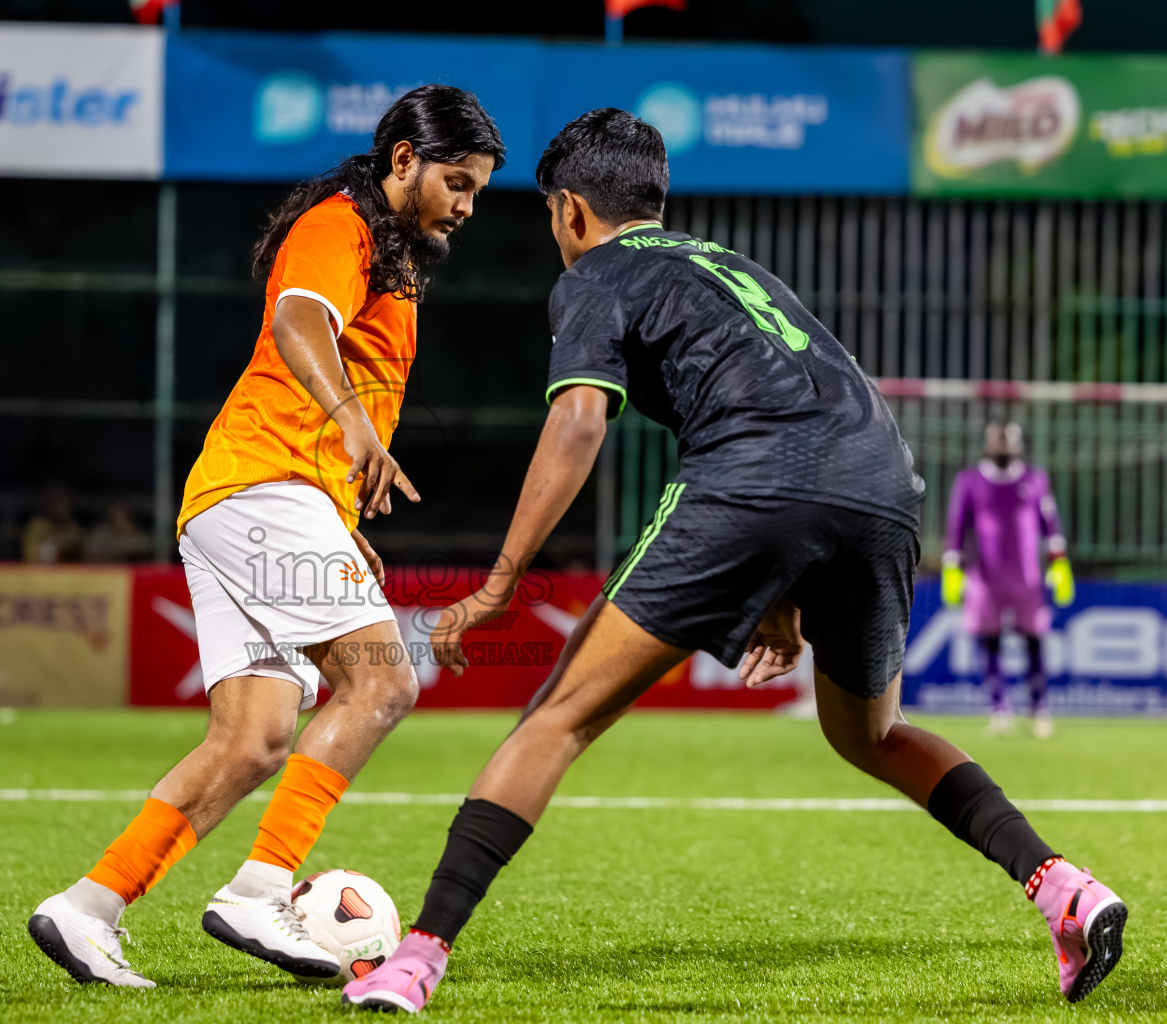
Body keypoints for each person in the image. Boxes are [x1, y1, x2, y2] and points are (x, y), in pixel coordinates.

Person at [342, 109, 1126, 1013]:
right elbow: (802, 412)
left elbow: (582, 419)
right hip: (883, 483)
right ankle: (1062, 888)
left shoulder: (597, 273)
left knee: (557, 719)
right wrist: (783, 591)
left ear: (571, 211)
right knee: (871, 734)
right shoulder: (733, 266)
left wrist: (499, 582)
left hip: (757, 478)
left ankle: (417, 959)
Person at [27, 85, 506, 988]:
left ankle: (88, 907)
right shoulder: (339, 225)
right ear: (404, 159)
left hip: (248, 498)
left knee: (250, 740)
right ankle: (261, 889)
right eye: (457, 183)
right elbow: (297, 320)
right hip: (264, 487)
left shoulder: (388, 255)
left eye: (477, 191)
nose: (466, 207)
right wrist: (354, 429)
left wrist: (338, 514)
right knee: (381, 682)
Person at [942, 422, 1074, 738]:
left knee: (1035, 641)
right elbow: (956, 525)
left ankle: (1039, 709)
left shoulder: (1034, 479)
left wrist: (1059, 563)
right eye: (998, 438)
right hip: (984, 578)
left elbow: (1050, 524)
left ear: (1018, 442)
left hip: (1027, 578)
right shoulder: (969, 480)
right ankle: (999, 710)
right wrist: (952, 566)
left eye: (1009, 438)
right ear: (988, 442)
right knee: (989, 642)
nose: (1004, 444)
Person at [21, 485, 84, 564]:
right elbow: (31, 557)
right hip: (43, 571)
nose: (59, 506)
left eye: (62, 500)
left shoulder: (74, 527)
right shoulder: (37, 526)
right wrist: (61, 546)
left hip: (70, 570)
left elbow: (85, 555)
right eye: (54, 500)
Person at [83, 500, 151, 563]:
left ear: (129, 512)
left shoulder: (140, 537)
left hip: (131, 570)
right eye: (115, 510)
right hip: (105, 570)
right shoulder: (100, 534)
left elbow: (145, 552)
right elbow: (89, 555)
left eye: (121, 510)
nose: (118, 515)